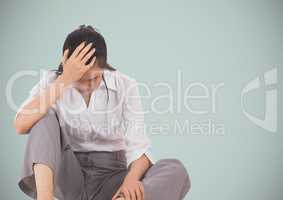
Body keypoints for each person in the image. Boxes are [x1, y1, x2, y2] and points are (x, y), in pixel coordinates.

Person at [14, 25, 191, 200]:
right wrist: (66, 79)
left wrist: (130, 181)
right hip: (68, 175)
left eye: (94, 78)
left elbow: (138, 147)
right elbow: (21, 125)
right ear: (66, 64)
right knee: (41, 115)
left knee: (175, 169)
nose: (87, 86)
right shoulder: (54, 82)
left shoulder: (125, 85)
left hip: (112, 179)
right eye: (79, 79)